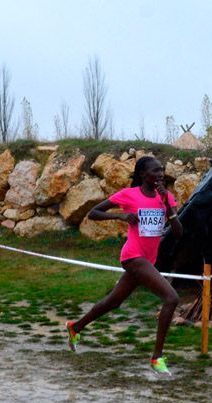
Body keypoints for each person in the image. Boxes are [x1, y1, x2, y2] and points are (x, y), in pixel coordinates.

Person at [65, 156, 183, 375]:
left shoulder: (166, 197)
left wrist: (169, 205)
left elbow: (178, 233)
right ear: (142, 175)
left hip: (148, 260)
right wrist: (121, 216)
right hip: (132, 256)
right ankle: (157, 358)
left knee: (114, 301)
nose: (160, 175)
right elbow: (94, 213)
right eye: (155, 171)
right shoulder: (130, 195)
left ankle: (75, 327)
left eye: (161, 171)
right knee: (171, 298)